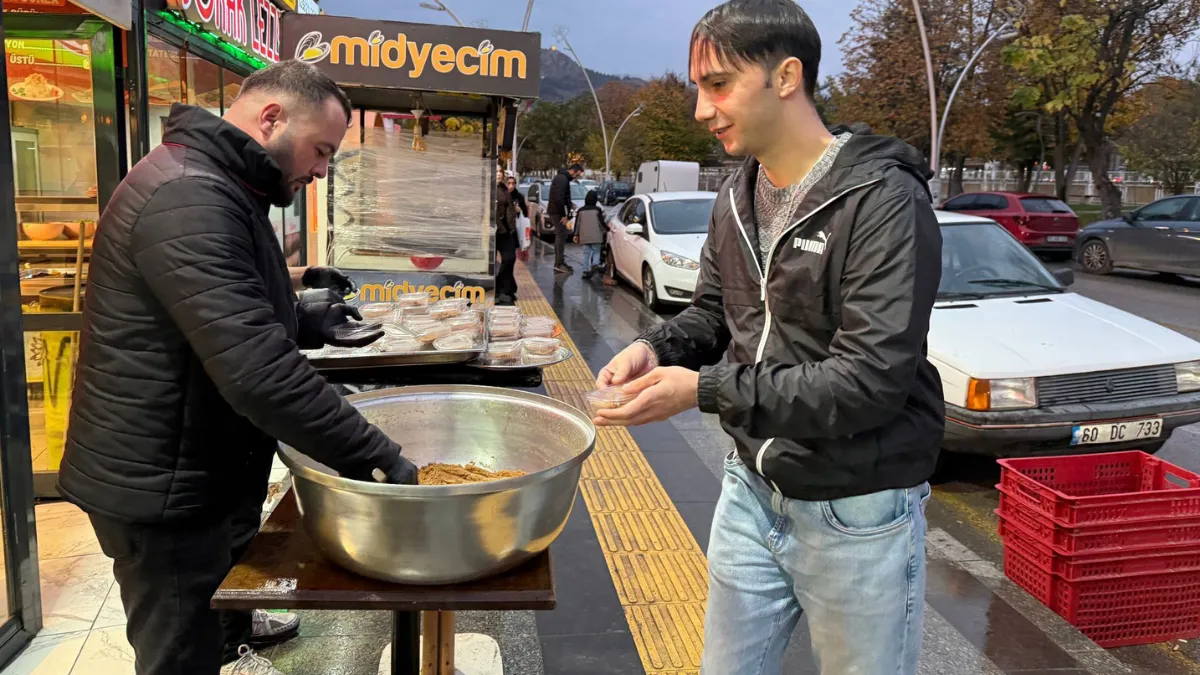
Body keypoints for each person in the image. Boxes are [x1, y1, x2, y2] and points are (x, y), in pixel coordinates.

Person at [593, 2, 944, 674]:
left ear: (786, 77)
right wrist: (657, 350)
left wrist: (703, 389)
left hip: (857, 509)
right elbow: (711, 314)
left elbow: (869, 381)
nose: (701, 109)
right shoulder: (735, 195)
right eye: (700, 88)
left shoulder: (882, 200)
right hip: (751, 489)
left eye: (718, 84)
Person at [58, 60, 419, 675]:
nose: (322, 169)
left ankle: (235, 639)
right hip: (162, 491)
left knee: (224, 590)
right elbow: (256, 372)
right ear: (271, 118)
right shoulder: (188, 194)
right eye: (321, 150)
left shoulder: (222, 183)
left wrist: (307, 315)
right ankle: (212, 648)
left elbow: (221, 312)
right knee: (180, 647)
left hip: (204, 468)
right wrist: (377, 458)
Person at [547, 163, 583, 274]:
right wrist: (563, 215)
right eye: (577, 175)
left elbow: (563, 196)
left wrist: (570, 204)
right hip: (557, 212)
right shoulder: (562, 179)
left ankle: (560, 261)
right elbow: (559, 199)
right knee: (560, 236)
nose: (577, 178)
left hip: (556, 211)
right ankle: (559, 263)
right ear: (573, 171)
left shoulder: (562, 178)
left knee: (562, 235)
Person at [495, 178, 520, 305]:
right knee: (490, 263)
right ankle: (499, 291)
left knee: (509, 258)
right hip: (492, 230)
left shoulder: (505, 190)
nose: (498, 174)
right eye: (497, 171)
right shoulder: (488, 188)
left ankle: (503, 289)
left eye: (501, 172)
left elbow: (509, 209)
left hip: (505, 230)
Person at [573, 189, 607, 279]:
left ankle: (585, 271)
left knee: (586, 253)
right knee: (596, 252)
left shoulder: (580, 211)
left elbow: (577, 224)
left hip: (584, 236)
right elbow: (601, 223)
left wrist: (575, 235)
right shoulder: (597, 210)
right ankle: (595, 265)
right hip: (596, 235)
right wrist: (607, 230)